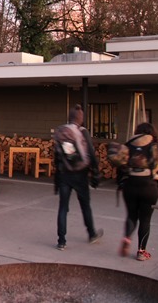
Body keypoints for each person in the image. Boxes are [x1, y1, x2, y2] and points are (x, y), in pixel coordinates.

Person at [118, 122, 158, 261]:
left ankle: (127, 237)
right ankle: (141, 251)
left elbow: (120, 168)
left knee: (131, 216)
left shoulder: (128, 145)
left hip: (130, 186)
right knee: (145, 219)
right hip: (149, 187)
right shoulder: (155, 147)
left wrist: (121, 183)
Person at [53, 104, 103, 250]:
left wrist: (57, 177)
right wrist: (95, 171)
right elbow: (91, 155)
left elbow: (57, 156)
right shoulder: (82, 132)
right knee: (85, 205)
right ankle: (92, 233)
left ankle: (61, 241)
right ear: (80, 119)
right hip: (80, 175)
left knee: (63, 208)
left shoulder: (60, 132)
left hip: (64, 175)